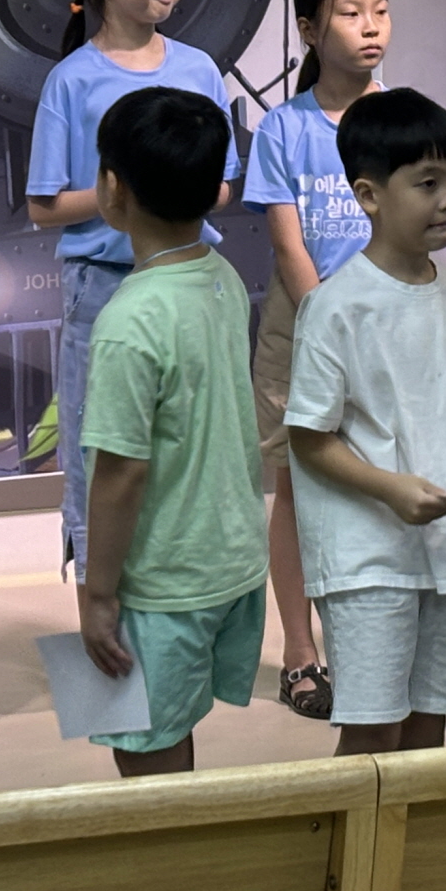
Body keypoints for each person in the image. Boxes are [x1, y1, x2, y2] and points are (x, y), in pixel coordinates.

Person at [285, 88, 446, 755]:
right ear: (368, 195)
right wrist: (391, 489)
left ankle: (414, 831)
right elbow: (308, 439)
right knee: (372, 728)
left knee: (428, 723)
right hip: (368, 560)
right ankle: (351, 831)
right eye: (426, 183)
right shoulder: (336, 306)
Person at [26, 0, 241, 583]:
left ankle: (185, 587)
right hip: (102, 291)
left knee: (191, 443)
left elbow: (223, 185)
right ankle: (99, 601)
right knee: (101, 449)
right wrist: (130, 191)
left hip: (188, 282)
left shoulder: (198, 69)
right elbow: (44, 206)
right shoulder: (71, 81)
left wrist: (166, 190)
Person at [75, 88, 268, 775]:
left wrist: (98, 594)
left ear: (112, 189)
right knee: (172, 729)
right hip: (229, 558)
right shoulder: (221, 275)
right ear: (216, 190)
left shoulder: (128, 323)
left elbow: (120, 472)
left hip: (161, 581)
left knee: (142, 755)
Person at [245, 0, 388, 724]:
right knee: (301, 491)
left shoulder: (402, 118)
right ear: (307, 27)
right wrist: (333, 326)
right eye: (350, 12)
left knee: (378, 492)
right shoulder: (284, 127)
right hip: (302, 334)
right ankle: (301, 655)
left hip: (389, 333)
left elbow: (424, 224)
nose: (371, 27)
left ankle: (370, 642)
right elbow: (287, 243)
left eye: (381, 11)